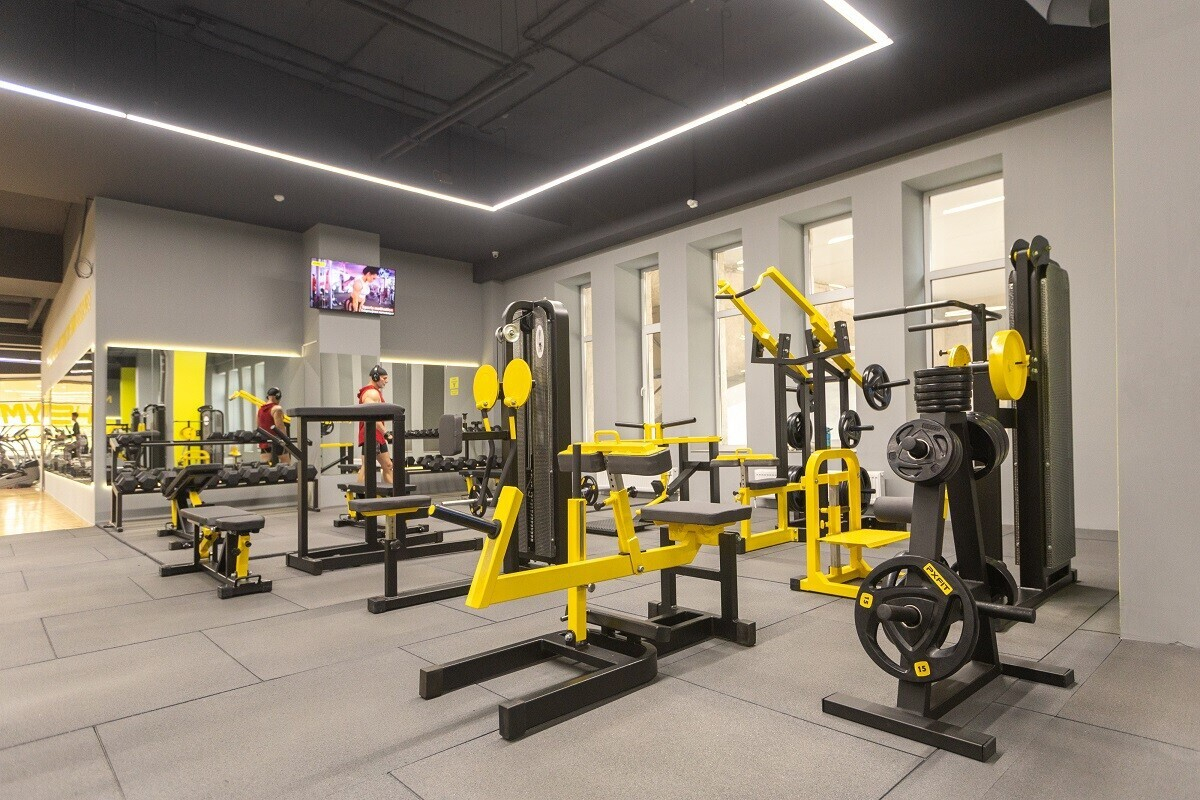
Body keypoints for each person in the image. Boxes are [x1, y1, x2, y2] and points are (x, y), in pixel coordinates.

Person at [356, 364, 393, 486]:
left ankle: (394, 494)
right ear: (376, 377)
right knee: (367, 467)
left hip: (377, 435)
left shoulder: (375, 392)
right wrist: (386, 433)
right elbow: (372, 416)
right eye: (384, 378)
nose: (386, 381)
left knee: (387, 465)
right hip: (372, 434)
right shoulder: (371, 393)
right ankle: (360, 496)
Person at [256, 387, 290, 465]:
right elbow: (279, 427)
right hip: (277, 441)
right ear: (277, 396)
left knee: (265, 467)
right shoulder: (277, 409)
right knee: (286, 465)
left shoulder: (260, 410)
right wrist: (287, 442)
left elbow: (258, 427)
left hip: (265, 442)